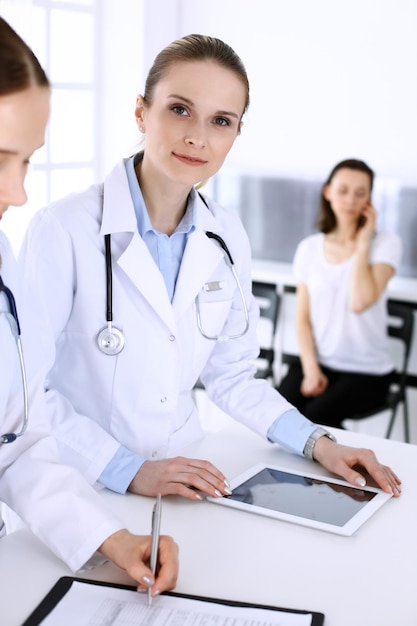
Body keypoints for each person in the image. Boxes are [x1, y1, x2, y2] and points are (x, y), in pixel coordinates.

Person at [18, 35, 401, 502]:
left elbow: (234, 376)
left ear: (236, 133)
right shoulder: (63, 228)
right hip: (80, 482)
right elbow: (23, 389)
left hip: (184, 475)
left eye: (221, 121)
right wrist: (127, 469)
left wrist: (318, 442)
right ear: (141, 111)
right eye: (180, 109)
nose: (198, 137)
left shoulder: (226, 233)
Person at [0, 16, 178, 594]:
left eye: (26, 160)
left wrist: (110, 538)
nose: (18, 192)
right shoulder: (64, 227)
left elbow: (16, 444)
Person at [278, 158, 402, 429]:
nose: (351, 200)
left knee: (317, 417)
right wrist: (311, 370)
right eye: (343, 190)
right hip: (319, 361)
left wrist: (363, 242)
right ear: (328, 192)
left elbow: (360, 301)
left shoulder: (385, 244)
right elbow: (302, 320)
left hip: (367, 373)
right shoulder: (309, 248)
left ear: (370, 199)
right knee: (279, 414)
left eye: (361, 193)